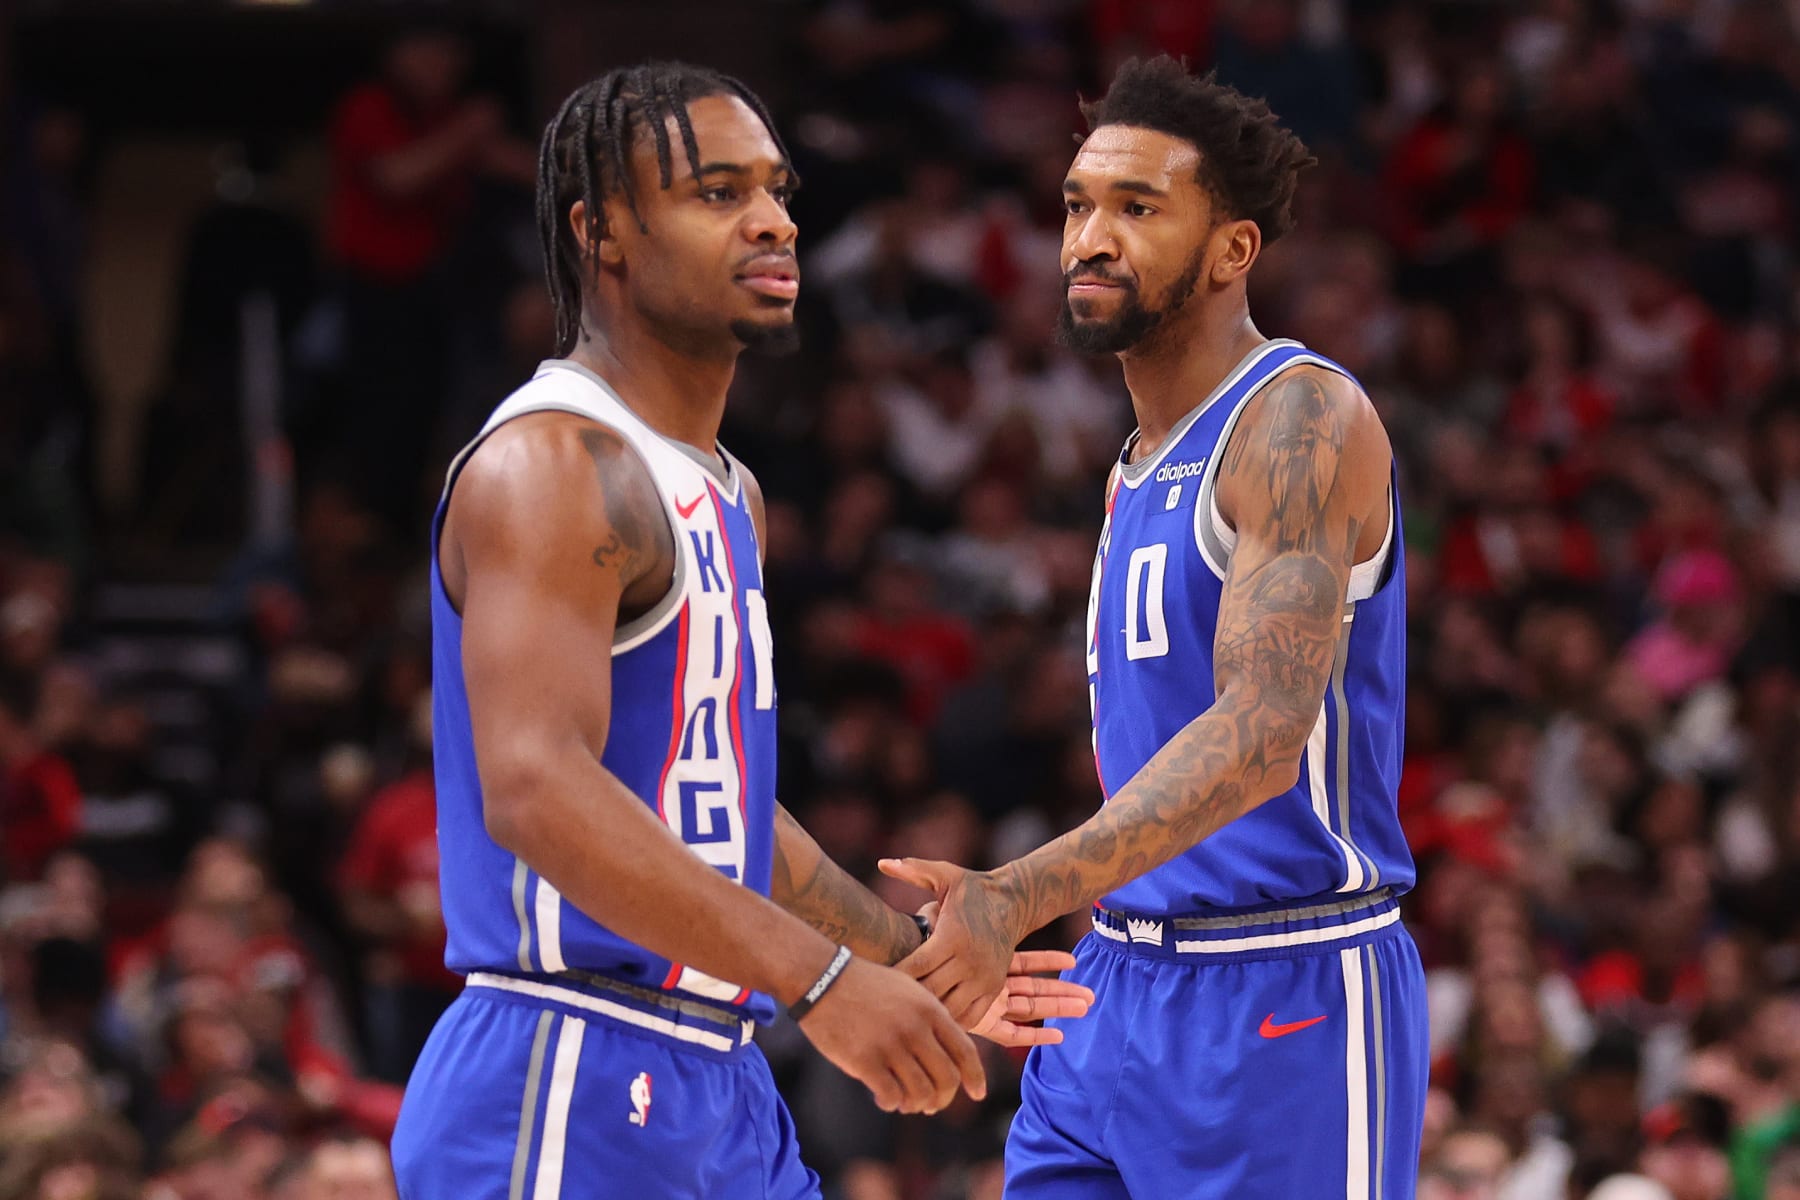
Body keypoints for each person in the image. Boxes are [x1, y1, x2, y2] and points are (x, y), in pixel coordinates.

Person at [388, 61, 1088, 1199]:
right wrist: (820, 985)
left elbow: (708, 803)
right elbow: (534, 786)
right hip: (566, 1062)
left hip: (717, 1076)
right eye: (717, 193)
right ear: (601, 230)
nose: (772, 221)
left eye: (777, 191)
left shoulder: (728, 492)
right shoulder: (554, 464)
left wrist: (903, 960)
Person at [882, 57, 1428, 1197]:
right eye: (1077, 205)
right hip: (1116, 986)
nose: (1088, 237)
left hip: (1286, 987)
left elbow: (1262, 734)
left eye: (1137, 208)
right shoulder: (1138, 461)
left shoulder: (1299, 417)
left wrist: (1018, 892)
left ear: (1233, 249)